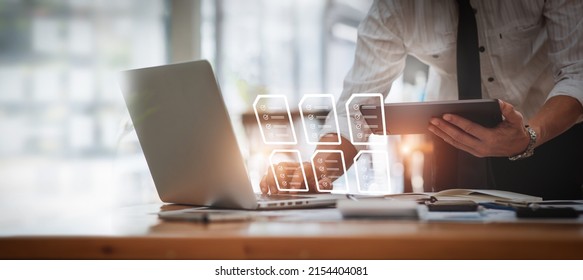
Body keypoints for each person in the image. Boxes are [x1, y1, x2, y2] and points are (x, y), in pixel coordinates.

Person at [261, 0, 583, 199]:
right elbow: (354, 109)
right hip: (453, 148)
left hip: (549, 134)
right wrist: (318, 169)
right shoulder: (395, 8)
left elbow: (577, 73)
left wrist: (528, 136)